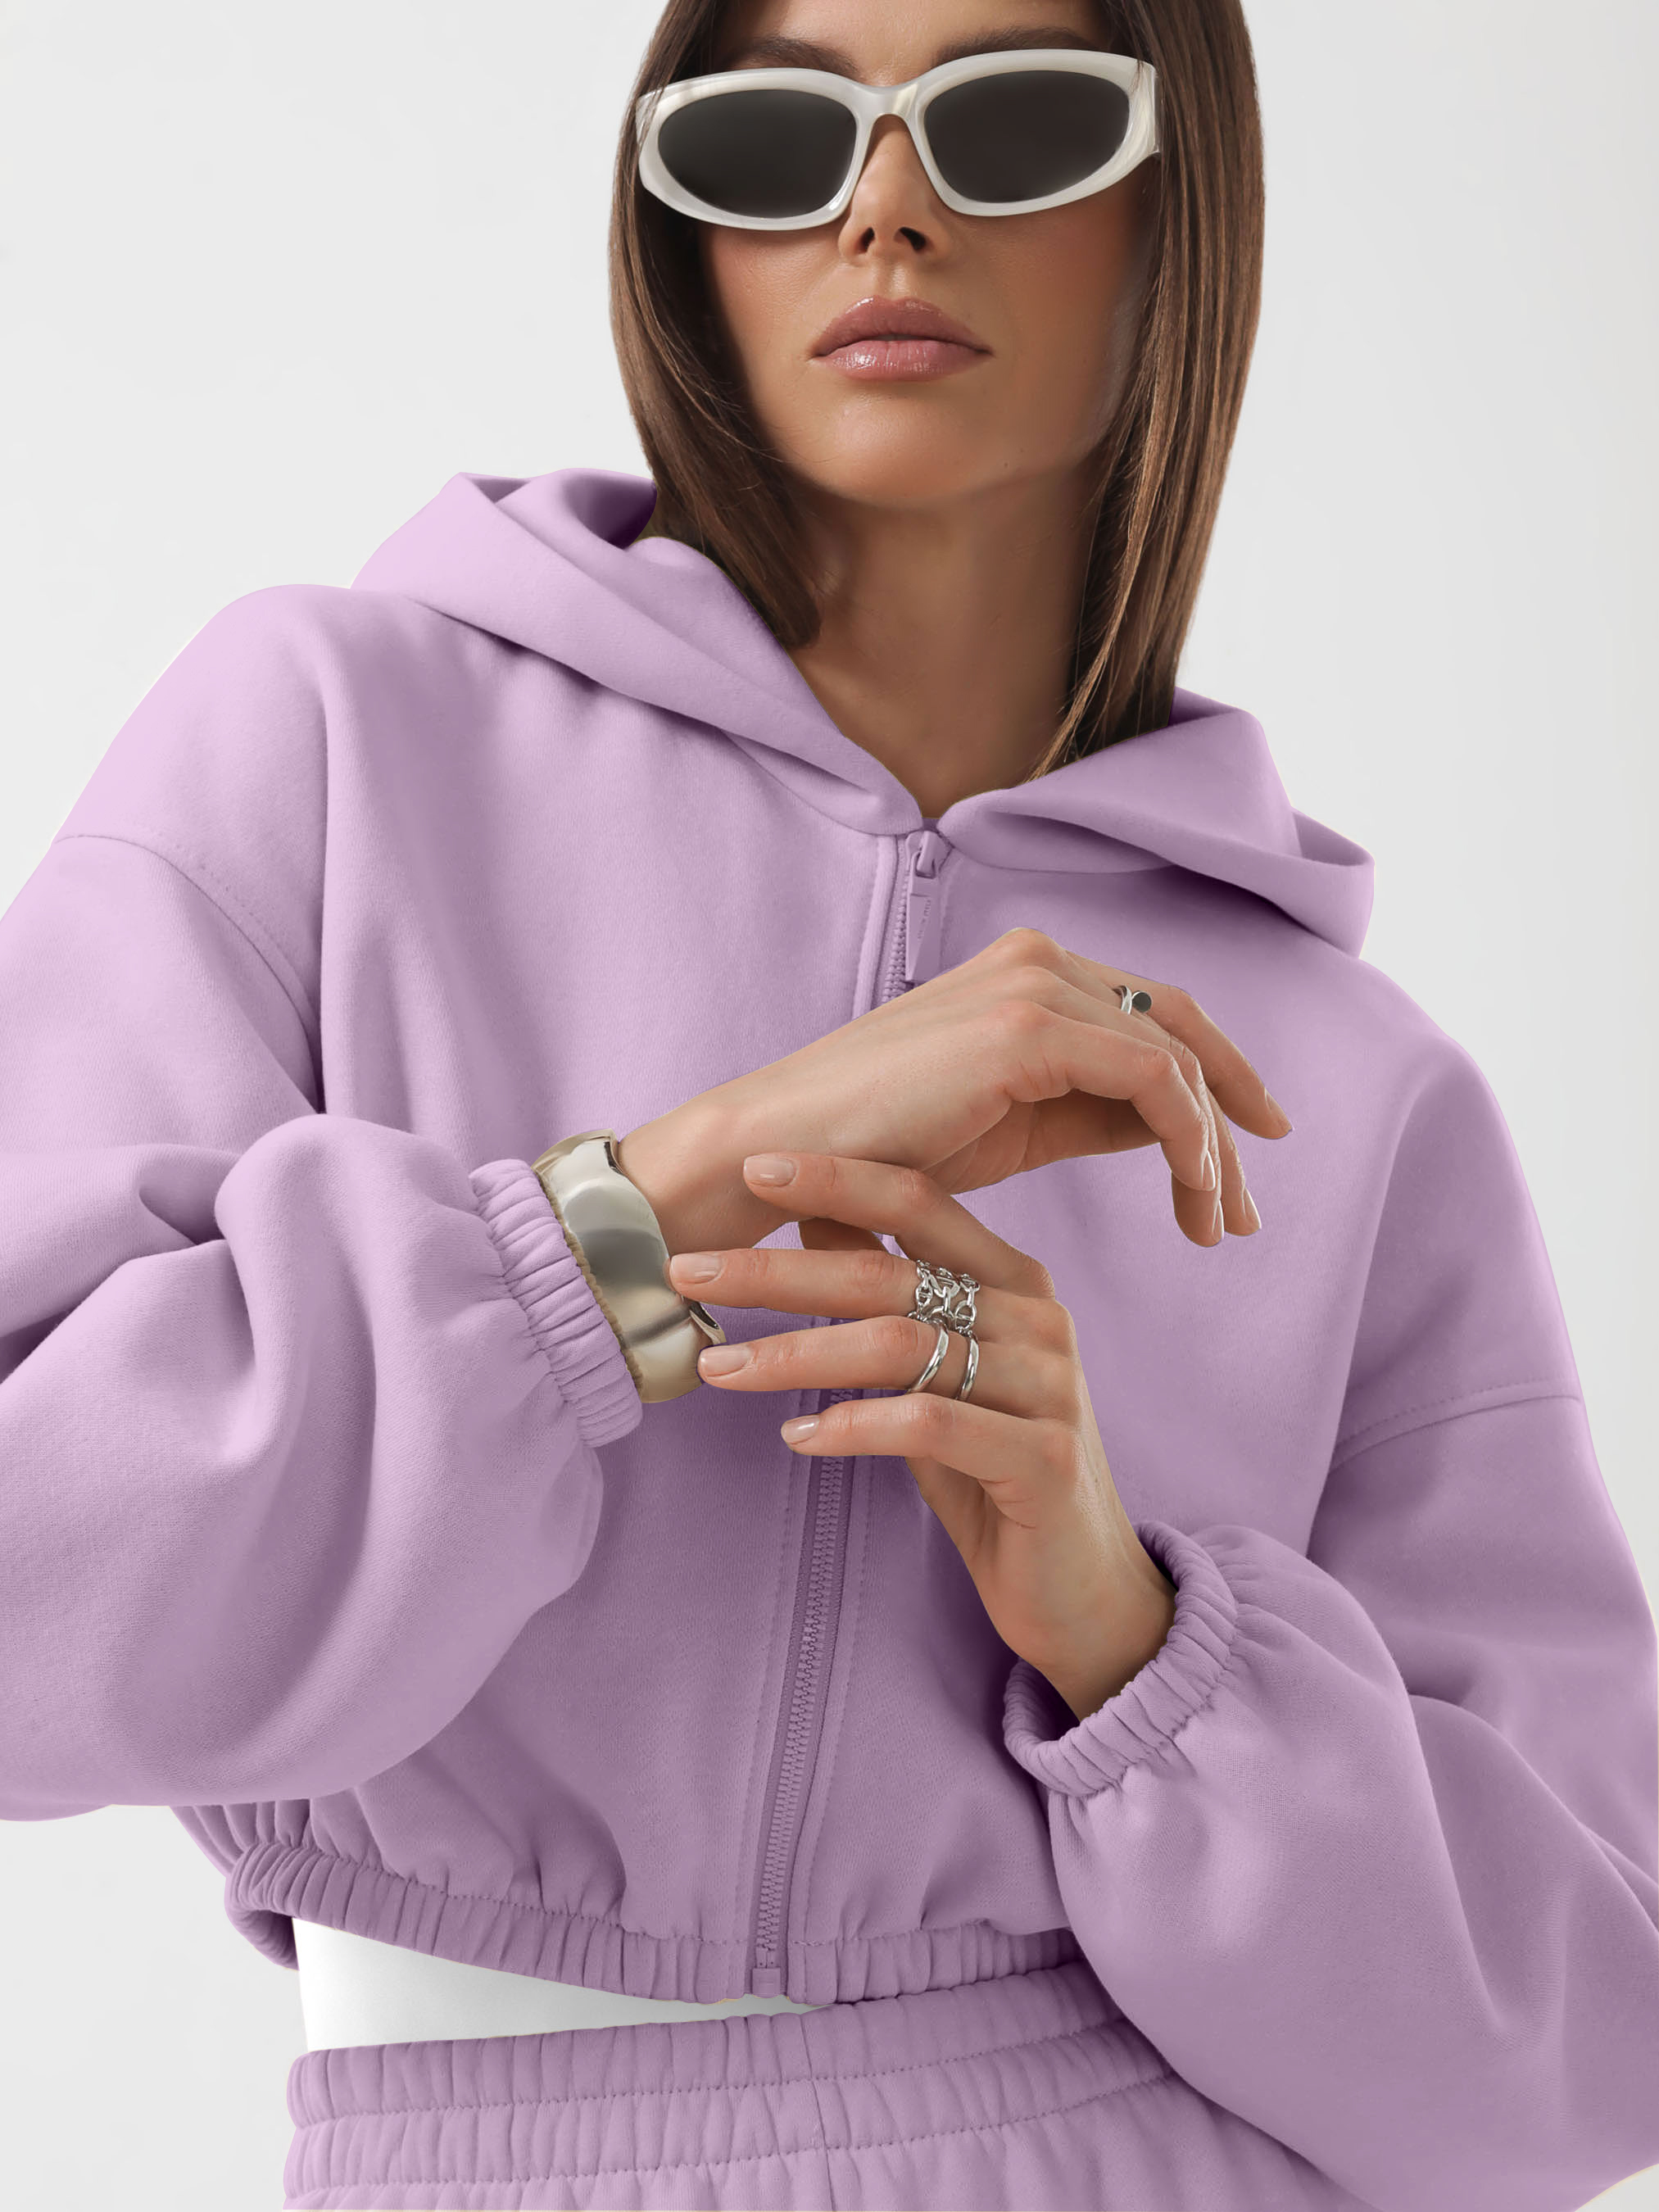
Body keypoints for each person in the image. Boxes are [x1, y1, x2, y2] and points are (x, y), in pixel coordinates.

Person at [2, 0, 1656, 2205]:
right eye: (777, 136)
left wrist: (1129, 1639)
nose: (885, 205)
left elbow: (1577, 2058)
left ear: (1177, 216)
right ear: (681, 232)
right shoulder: (330, 739)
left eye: (1012, 119)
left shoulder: (1333, 1080)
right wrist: (622, 1233)